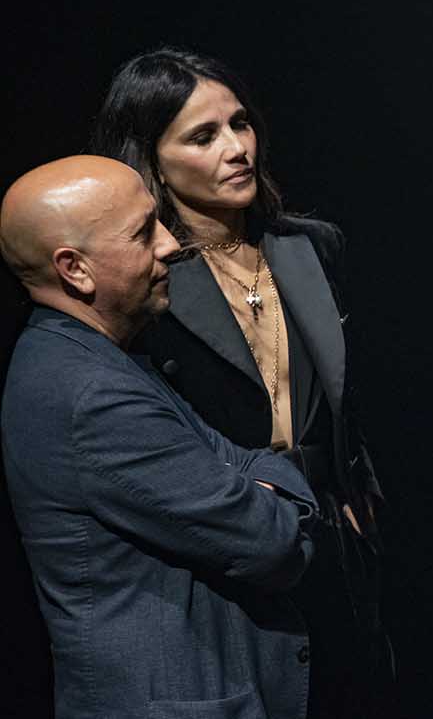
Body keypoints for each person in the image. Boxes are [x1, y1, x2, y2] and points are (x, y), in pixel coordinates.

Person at [90, 47, 391, 715]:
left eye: (241, 123)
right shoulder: (146, 284)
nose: (236, 148)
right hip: (227, 557)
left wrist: (362, 497)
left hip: (333, 553)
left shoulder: (310, 248)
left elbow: (349, 401)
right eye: (204, 136)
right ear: (151, 161)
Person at [1, 156, 317, 719]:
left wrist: (259, 481)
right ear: (75, 269)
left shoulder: (105, 360)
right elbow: (268, 542)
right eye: (144, 232)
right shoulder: (90, 393)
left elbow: (243, 463)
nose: (171, 245)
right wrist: (274, 490)